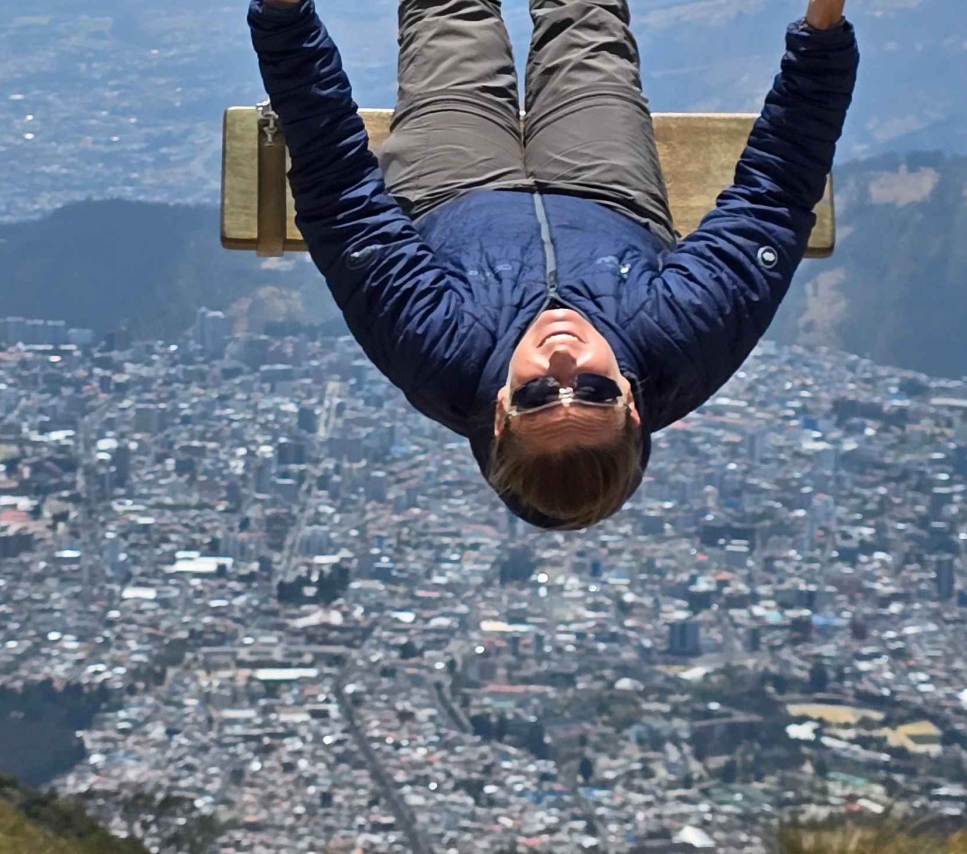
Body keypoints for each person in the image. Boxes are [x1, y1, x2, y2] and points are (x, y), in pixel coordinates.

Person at [248, 0, 858, 529]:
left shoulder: (438, 351)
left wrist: (283, 19)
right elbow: (773, 196)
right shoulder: (679, 340)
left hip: (453, 194)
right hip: (606, 197)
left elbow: (341, 194)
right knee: (588, 23)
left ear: (497, 411)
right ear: (632, 403)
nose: (562, 360)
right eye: (592, 390)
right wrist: (824, 31)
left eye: (537, 394)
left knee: (448, 19)